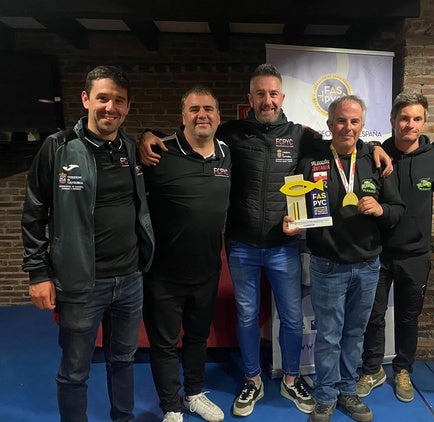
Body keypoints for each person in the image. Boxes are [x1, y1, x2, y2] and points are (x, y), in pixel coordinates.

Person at [138, 64, 393, 418]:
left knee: (290, 317)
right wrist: (147, 135)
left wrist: (376, 146)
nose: (267, 100)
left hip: (284, 244)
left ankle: (290, 378)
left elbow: (343, 143)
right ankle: (252, 378)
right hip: (241, 244)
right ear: (250, 99)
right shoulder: (231, 133)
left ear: (282, 97)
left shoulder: (301, 136)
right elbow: (192, 134)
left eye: (273, 93)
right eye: (260, 93)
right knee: (246, 315)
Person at [21, 65, 155, 422]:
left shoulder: (130, 148)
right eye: (103, 98)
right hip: (81, 283)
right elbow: (34, 212)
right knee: (75, 371)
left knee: (123, 361)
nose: (110, 107)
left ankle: (122, 418)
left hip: (129, 279)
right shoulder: (58, 148)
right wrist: (38, 272)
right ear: (86, 99)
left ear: (127, 107)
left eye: (119, 101)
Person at [284, 95, 405, 422]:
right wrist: (292, 222)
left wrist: (381, 209)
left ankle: (348, 392)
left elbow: (397, 211)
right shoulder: (311, 161)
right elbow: (296, 208)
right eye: (340, 120)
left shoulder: (376, 159)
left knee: (354, 334)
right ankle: (325, 396)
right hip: (327, 266)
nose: (347, 127)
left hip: (367, 266)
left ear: (362, 126)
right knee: (329, 336)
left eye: (354, 122)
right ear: (329, 124)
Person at [142, 86, 230, 422]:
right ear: (182, 117)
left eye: (208, 108)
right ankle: (171, 408)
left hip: (207, 270)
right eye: (194, 109)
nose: (202, 115)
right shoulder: (159, 152)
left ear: (218, 116)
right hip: (162, 273)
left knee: (197, 337)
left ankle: (193, 393)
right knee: (164, 344)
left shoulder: (226, 153)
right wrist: (144, 134)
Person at [358, 92, 434, 403]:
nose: (410, 124)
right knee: (373, 316)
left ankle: (403, 369)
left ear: (424, 122)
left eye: (416, 119)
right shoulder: (374, 154)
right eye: (404, 118)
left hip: (416, 255)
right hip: (377, 253)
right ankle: (371, 368)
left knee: (408, 317)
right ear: (392, 121)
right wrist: (374, 147)